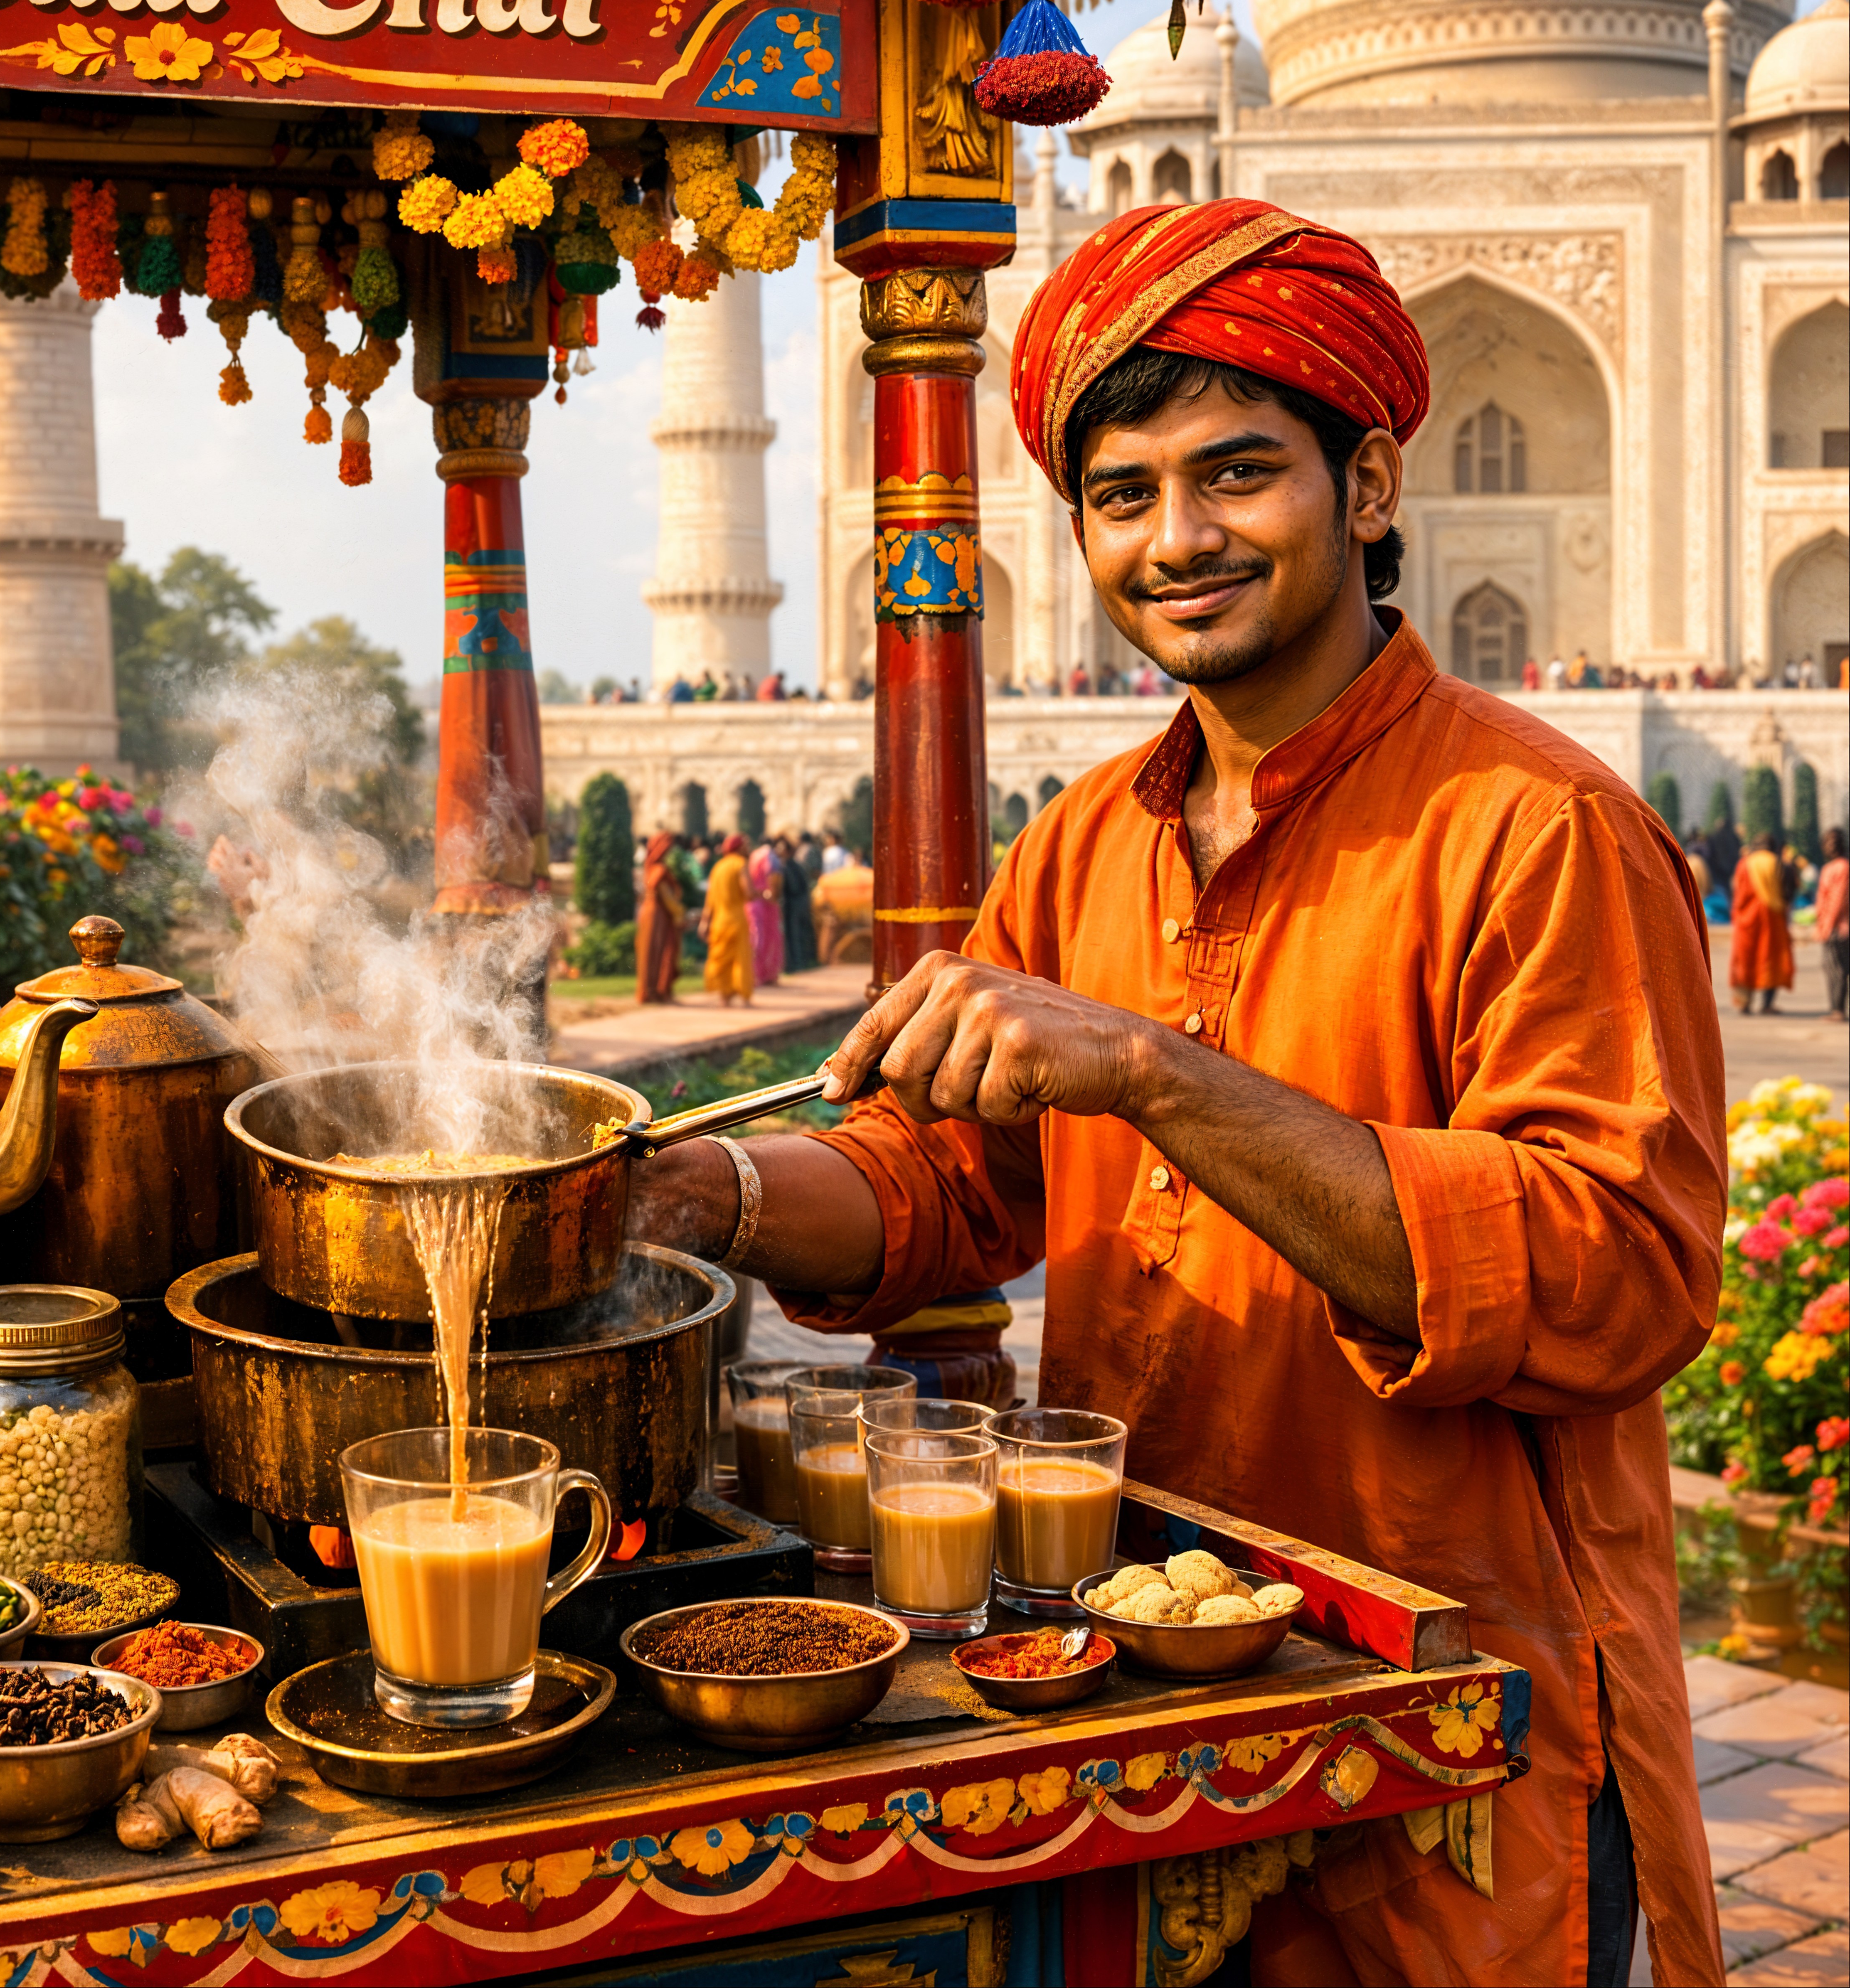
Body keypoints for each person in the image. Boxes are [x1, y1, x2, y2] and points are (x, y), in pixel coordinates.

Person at [626, 199, 1723, 1988]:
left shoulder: (1533, 830)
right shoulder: (1084, 843)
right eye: (1119, 494)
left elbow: (1610, 1272)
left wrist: (1148, 1070)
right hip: (1150, 1687)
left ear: (1365, 485)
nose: (1174, 539)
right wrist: (698, 1196)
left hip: (1447, 1722)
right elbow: (948, 1182)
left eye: (1233, 474)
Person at [1730, 831, 1796, 1016]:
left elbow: (1739, 895)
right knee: (1771, 960)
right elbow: (1789, 892)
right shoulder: (1778, 863)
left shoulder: (1744, 864)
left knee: (1746, 960)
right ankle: (1767, 1005)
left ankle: (1744, 1004)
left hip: (1747, 920)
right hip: (1773, 919)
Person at [699, 833, 753, 1005]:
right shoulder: (741, 864)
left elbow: (710, 900)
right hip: (737, 918)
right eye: (745, 845)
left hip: (720, 921)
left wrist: (704, 922)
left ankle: (725, 996)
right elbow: (749, 893)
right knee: (741, 958)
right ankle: (744, 997)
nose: (748, 849)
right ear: (739, 847)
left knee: (722, 959)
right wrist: (760, 894)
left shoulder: (718, 867)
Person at [634, 830, 685, 1006]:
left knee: (650, 952)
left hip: (649, 913)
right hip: (659, 915)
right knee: (660, 951)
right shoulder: (660, 870)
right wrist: (680, 913)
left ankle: (651, 991)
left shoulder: (649, 868)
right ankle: (657, 991)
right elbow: (667, 897)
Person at [1816, 827, 1849, 1021]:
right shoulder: (1832, 867)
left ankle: (1838, 1010)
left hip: (1839, 927)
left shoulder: (1841, 868)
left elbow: (1838, 899)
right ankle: (1836, 1009)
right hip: (1833, 926)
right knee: (1834, 968)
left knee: (1836, 969)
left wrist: (1827, 927)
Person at [777, 832, 820, 973]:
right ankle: (804, 960)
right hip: (802, 902)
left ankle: (798, 963)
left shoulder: (788, 866)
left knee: (795, 934)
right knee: (801, 933)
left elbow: (794, 887)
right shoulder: (796, 865)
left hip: (795, 903)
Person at [746, 837, 784, 985]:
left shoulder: (753, 856)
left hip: (752, 903)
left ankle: (755, 974)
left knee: (756, 939)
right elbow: (774, 878)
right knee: (770, 939)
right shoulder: (770, 856)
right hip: (767, 904)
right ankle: (768, 975)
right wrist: (774, 895)